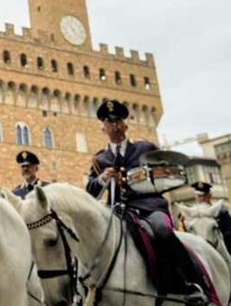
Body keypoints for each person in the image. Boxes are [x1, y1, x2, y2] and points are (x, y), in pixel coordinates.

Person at [85, 100, 207, 304]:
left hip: (149, 207)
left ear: (125, 125)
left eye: (117, 120)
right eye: (109, 121)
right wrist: (102, 179)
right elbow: (90, 190)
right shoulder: (100, 159)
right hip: (116, 210)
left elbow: (163, 176)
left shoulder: (145, 149)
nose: (113, 125)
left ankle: (189, 283)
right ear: (102, 127)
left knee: (162, 230)